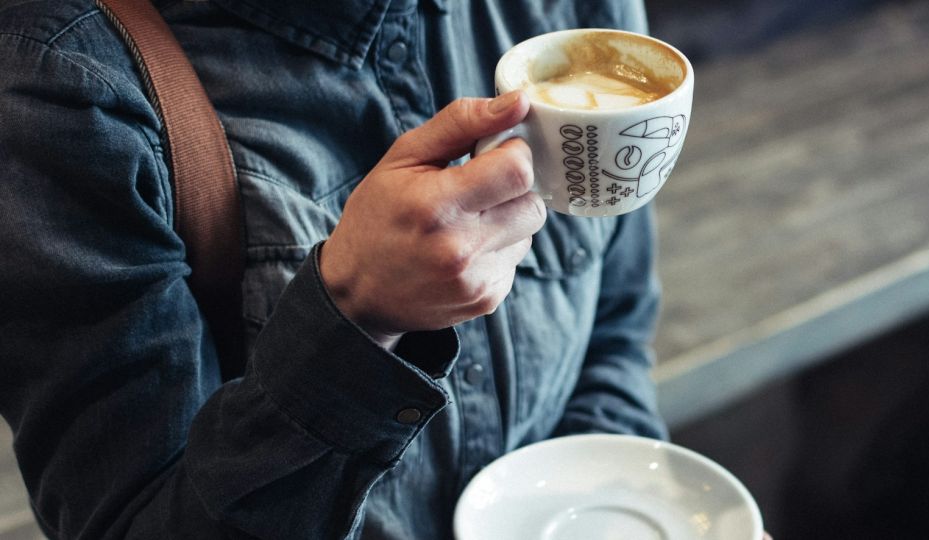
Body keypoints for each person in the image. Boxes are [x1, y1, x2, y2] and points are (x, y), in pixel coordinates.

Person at [0, 0, 667, 537]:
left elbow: (615, 330)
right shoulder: (67, 85)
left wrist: (614, 509)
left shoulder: (573, 27)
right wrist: (354, 320)